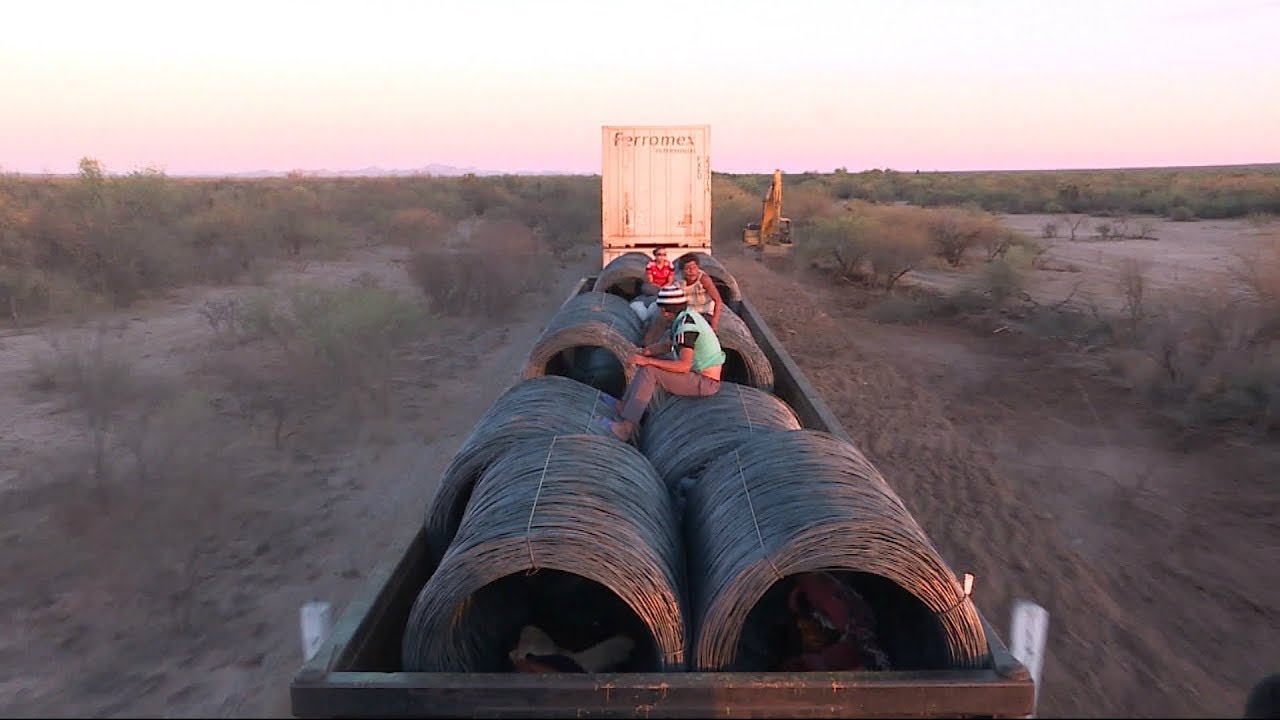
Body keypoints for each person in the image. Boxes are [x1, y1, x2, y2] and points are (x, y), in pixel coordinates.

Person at [600, 284, 725, 443]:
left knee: (650, 371)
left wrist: (647, 360)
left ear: (665, 311)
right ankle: (624, 405)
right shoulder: (686, 317)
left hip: (705, 382)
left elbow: (684, 365)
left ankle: (626, 428)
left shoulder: (687, 327)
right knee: (648, 366)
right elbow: (667, 346)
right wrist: (644, 352)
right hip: (696, 375)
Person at [676, 253, 723, 331]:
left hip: (704, 313)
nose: (692, 271)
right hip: (688, 314)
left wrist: (714, 323)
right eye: (687, 269)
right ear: (682, 271)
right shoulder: (678, 283)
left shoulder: (704, 279)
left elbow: (718, 300)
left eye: (694, 268)